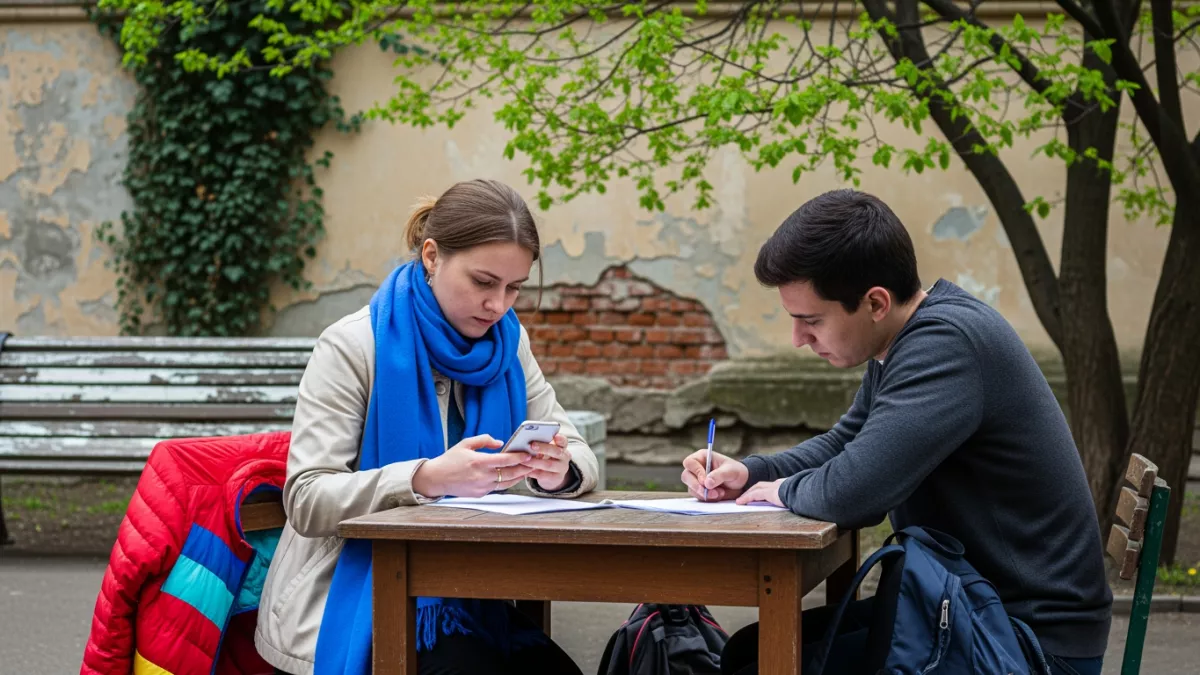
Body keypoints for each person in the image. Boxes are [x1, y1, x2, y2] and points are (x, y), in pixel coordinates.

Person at [681, 189, 1112, 675]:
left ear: (875, 303)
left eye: (811, 320)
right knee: (749, 652)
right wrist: (750, 473)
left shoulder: (945, 346)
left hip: (1026, 640)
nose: (799, 339)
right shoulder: (907, 341)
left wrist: (779, 491)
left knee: (763, 663)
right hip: (972, 605)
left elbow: (855, 491)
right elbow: (847, 443)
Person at [257, 179, 598, 675]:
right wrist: (423, 479)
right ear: (432, 256)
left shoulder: (508, 343)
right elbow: (307, 498)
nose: (499, 305)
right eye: (483, 282)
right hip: (348, 603)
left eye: (514, 288)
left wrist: (558, 471)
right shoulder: (353, 346)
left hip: (475, 596)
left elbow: (577, 450)